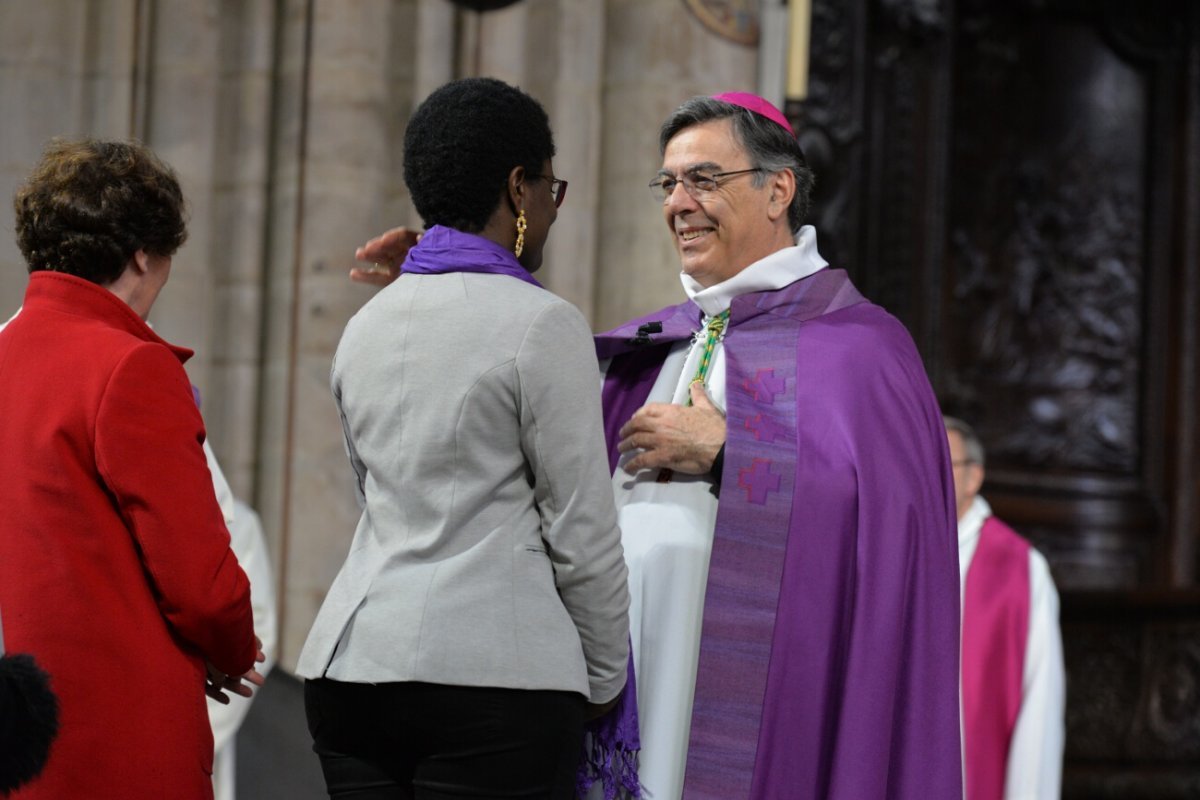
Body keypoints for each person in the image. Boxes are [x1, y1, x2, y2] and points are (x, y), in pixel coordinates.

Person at [355, 93, 963, 799]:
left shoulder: (861, 349)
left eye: (704, 179)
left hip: (759, 707)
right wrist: (449, 276)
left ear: (779, 189)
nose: (679, 203)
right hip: (626, 672)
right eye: (669, 184)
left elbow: (893, 537)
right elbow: (513, 406)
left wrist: (735, 453)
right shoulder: (652, 343)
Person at [296, 77, 630, 800]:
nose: (549, 208)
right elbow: (581, 525)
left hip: (350, 675)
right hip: (495, 683)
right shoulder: (543, 324)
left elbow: (375, 494)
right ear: (517, 187)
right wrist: (604, 678)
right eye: (548, 187)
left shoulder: (366, 326)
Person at [0, 138, 263, 799]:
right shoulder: (130, 367)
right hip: (113, 735)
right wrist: (233, 649)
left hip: (18, 734)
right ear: (143, 253)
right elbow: (201, 583)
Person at [945, 416, 1066, 800]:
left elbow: (1040, 709)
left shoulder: (1018, 568)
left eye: (942, 465)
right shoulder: (894, 553)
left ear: (973, 477)